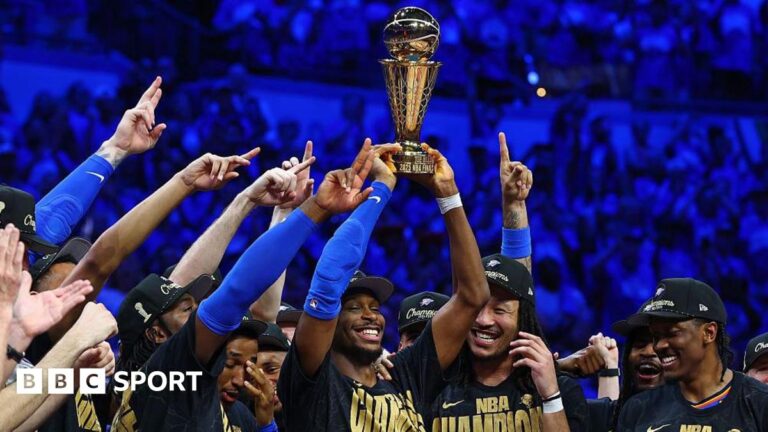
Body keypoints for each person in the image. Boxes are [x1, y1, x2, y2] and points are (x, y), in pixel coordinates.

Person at [111, 139, 378, 431]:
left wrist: (284, 213)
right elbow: (234, 294)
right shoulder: (157, 385)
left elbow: (262, 314)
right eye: (189, 309)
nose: (202, 311)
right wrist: (302, 208)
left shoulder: (227, 407)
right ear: (157, 333)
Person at [278, 141, 490, 431]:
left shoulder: (404, 375)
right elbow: (329, 278)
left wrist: (447, 193)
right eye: (354, 307)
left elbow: (473, 296)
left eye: (375, 308)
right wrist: (383, 187)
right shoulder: (312, 382)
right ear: (330, 322)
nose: (370, 316)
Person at [431, 133, 586, 431]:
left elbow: (517, 287)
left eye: (499, 310)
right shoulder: (436, 387)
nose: (483, 319)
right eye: (477, 307)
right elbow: (489, 291)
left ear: (521, 320)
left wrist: (551, 395)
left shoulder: (555, 390)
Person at [617, 278, 768, 430]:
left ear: (709, 333)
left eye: (672, 333)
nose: (659, 346)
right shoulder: (639, 409)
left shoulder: (759, 403)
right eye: (656, 336)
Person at [586, 300, 663, 431]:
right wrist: (609, 367)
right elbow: (610, 420)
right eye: (640, 344)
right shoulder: (627, 413)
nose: (648, 352)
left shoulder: (691, 416)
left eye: (658, 345)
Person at [217, 313, 270, 432]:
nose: (240, 381)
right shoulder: (179, 412)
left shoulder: (242, 415)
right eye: (229, 364)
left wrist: (267, 424)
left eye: (249, 367)